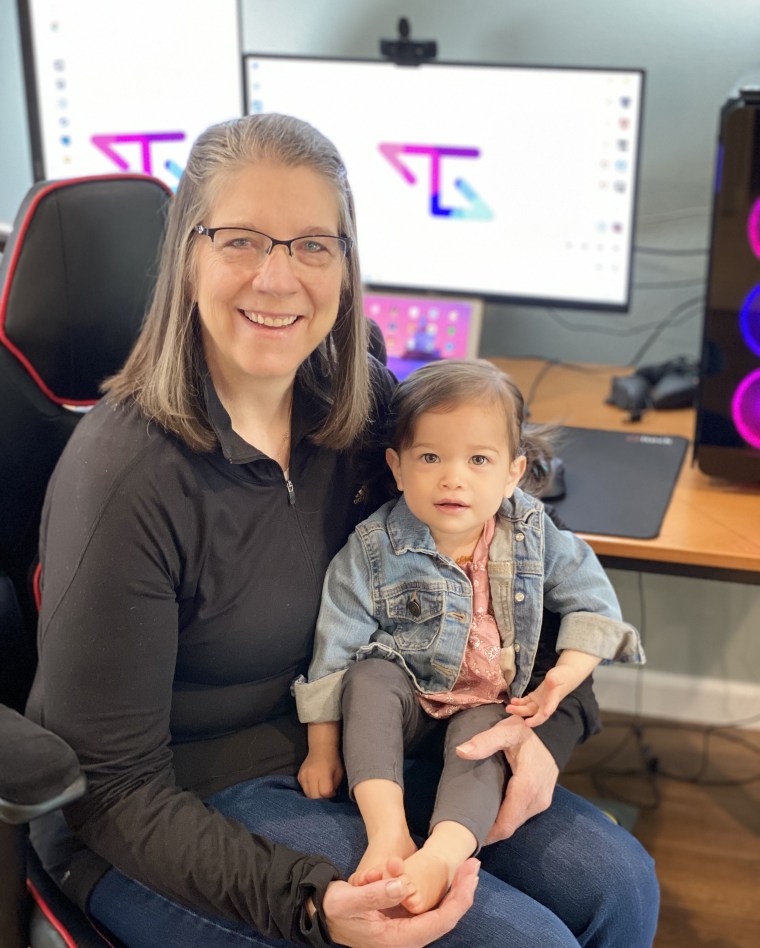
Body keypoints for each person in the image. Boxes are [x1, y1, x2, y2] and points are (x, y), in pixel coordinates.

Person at [24, 113, 659, 948]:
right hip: (175, 808)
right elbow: (109, 791)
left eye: (312, 245)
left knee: (617, 884)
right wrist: (311, 905)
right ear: (187, 255)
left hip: (369, 749)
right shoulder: (128, 476)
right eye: (241, 239)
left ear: (347, 264)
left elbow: (513, 561)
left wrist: (545, 726)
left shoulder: (358, 407)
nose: (278, 279)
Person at [294, 359, 645, 913]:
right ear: (398, 466)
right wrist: (320, 749)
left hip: (483, 704)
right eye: (430, 457)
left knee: (489, 733)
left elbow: (591, 598)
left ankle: (442, 855)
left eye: (478, 459)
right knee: (370, 677)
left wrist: (562, 677)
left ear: (513, 472)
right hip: (406, 702)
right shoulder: (373, 545)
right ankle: (387, 833)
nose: (453, 477)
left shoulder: (530, 530)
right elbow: (333, 648)